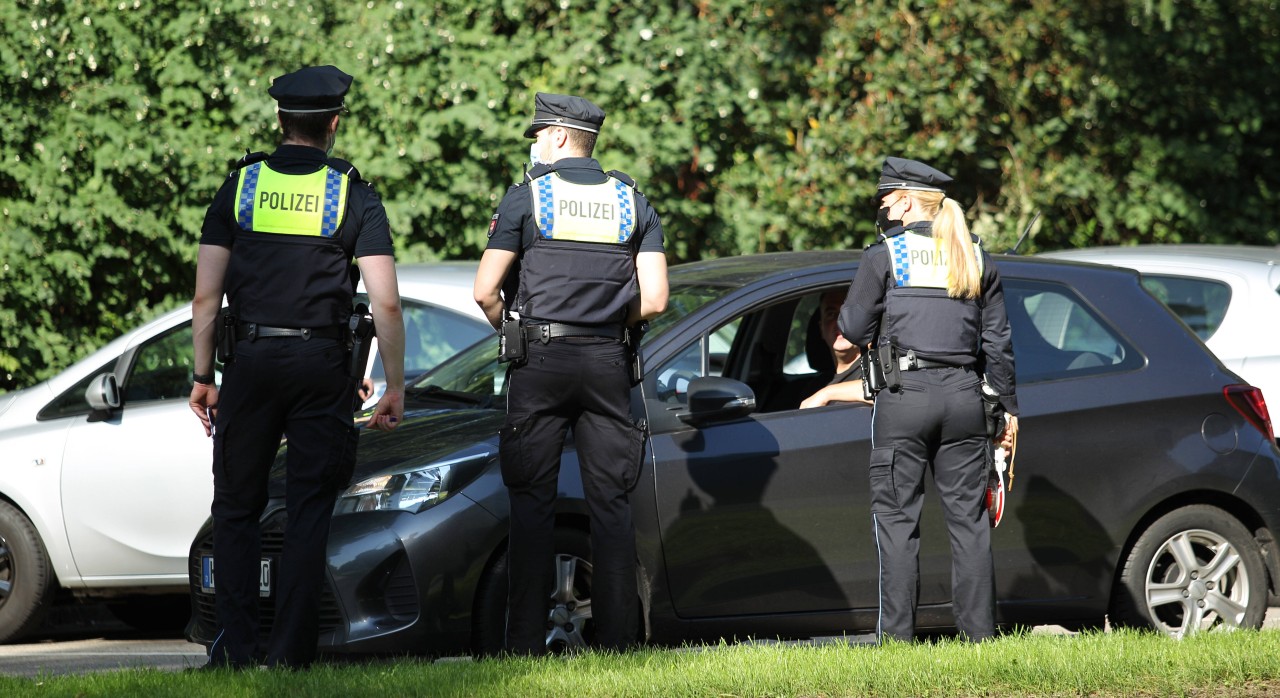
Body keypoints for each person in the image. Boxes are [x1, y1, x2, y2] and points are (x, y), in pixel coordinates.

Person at [186, 65, 405, 669]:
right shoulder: (353, 193)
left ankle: (233, 651)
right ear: (334, 123)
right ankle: (291, 656)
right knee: (309, 509)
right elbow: (384, 301)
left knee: (236, 509)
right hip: (323, 367)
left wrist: (204, 377)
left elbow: (207, 296)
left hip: (251, 362)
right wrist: (393, 384)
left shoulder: (241, 187)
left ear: (280, 119)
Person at [473, 92, 668, 655]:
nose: (533, 144)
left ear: (558, 137)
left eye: (537, 134)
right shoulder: (634, 201)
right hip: (607, 361)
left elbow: (485, 289)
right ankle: (618, 644)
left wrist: (511, 327)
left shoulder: (527, 198)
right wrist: (610, 320)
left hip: (540, 360)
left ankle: (524, 645)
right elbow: (654, 299)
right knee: (611, 505)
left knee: (531, 503)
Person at [838, 156, 1019, 644]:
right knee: (970, 523)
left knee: (898, 524)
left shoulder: (885, 255)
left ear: (904, 199)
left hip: (904, 399)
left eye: (884, 198)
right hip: (965, 398)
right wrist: (1006, 410)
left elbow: (852, 329)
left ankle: (897, 644)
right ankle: (980, 641)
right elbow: (997, 345)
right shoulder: (975, 256)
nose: (881, 207)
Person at [800, 288, 869, 409]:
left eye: (847, 313)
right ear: (821, 329)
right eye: (831, 314)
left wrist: (826, 394)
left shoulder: (874, 368)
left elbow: (886, 391)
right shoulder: (813, 387)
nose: (839, 322)